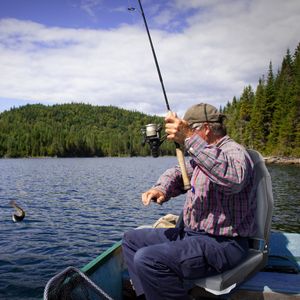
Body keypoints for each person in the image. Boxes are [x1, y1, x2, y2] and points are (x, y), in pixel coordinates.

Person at [122, 103, 256, 300]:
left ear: (206, 128)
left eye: (191, 130)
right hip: (191, 235)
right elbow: (178, 172)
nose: (185, 136)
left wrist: (188, 138)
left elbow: (233, 179)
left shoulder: (233, 151)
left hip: (223, 244)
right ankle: (149, 296)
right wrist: (161, 188)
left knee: (148, 259)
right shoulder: (203, 154)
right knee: (131, 239)